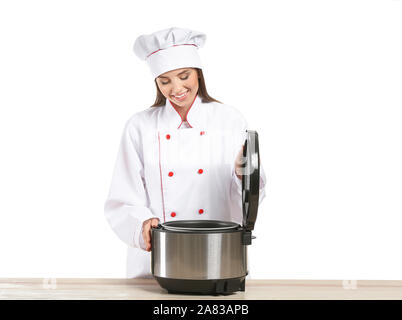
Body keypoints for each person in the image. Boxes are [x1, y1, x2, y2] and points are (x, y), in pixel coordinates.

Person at [104, 27, 267, 278]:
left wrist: (240, 173)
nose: (176, 88)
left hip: (218, 259)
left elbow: (251, 194)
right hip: (156, 261)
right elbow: (123, 197)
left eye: (184, 75)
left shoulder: (229, 120)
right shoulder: (140, 126)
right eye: (165, 81)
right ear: (156, 83)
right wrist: (142, 225)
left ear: (198, 74)